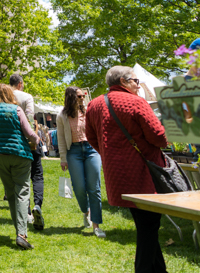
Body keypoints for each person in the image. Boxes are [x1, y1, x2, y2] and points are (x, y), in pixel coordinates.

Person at [86, 66, 169, 272]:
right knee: (149, 226)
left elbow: (91, 138)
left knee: (145, 225)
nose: (138, 85)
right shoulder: (136, 102)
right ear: (123, 81)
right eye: (136, 81)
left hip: (117, 174)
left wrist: (110, 154)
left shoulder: (94, 105)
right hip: (144, 173)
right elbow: (159, 137)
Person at [0, 83, 40, 249]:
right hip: (19, 154)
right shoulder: (16, 109)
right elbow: (28, 132)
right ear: (10, 94)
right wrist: (37, 140)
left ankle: (19, 231)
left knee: (10, 192)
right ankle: (21, 234)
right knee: (22, 191)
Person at [56, 87, 104, 237]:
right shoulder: (62, 116)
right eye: (79, 96)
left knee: (94, 188)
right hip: (74, 152)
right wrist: (63, 158)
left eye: (83, 95)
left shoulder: (89, 111)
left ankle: (96, 225)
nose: (83, 98)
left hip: (91, 150)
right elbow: (61, 139)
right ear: (71, 98)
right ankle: (86, 211)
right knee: (79, 188)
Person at [9, 73, 44, 230]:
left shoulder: (4, 97)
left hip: (11, 141)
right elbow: (29, 116)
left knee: (20, 179)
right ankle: (37, 205)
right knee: (36, 174)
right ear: (20, 84)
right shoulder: (26, 97)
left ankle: (27, 212)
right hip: (28, 139)